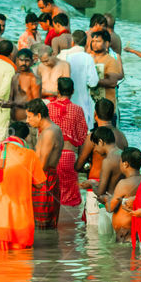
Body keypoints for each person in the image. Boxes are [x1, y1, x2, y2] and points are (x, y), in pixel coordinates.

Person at [0, 122, 46, 250]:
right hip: (20, 220)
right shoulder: (30, 155)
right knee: (22, 262)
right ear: (27, 137)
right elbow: (40, 185)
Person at [47, 77, 88, 209]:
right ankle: (71, 226)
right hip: (69, 156)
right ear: (73, 91)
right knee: (70, 197)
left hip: (50, 156)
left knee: (51, 193)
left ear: (58, 91)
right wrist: (81, 161)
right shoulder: (77, 110)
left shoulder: (48, 108)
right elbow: (82, 136)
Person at [26, 99, 64, 230]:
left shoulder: (49, 133)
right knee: (43, 224)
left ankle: (45, 249)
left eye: (29, 117)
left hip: (44, 179)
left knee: (42, 225)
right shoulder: (49, 130)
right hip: (45, 178)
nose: (27, 120)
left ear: (39, 116)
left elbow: (41, 165)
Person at [79, 126, 123, 233]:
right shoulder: (123, 154)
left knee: (99, 238)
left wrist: (92, 183)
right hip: (120, 204)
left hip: (108, 204)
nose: (95, 149)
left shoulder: (108, 161)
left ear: (101, 142)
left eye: (95, 145)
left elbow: (100, 191)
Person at [59, 30, 100, 128]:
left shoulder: (63, 56)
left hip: (64, 104)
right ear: (86, 43)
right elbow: (93, 82)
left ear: (72, 42)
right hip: (82, 104)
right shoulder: (88, 58)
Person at [108, 147, 141, 241]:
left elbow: (110, 207)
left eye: (120, 161)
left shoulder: (123, 183)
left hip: (125, 233)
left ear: (125, 164)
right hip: (135, 231)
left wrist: (105, 199)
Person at [89, 29, 123, 105]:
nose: (94, 44)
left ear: (106, 44)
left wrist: (94, 81)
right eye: (93, 41)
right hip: (91, 103)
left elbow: (112, 82)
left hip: (106, 105)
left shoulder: (111, 60)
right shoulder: (88, 58)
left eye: (98, 41)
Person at [7, 48, 41, 123]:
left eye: (27, 60)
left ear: (32, 62)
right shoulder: (15, 77)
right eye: (21, 60)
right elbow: (11, 99)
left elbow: (36, 103)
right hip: (13, 119)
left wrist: (18, 103)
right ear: (17, 60)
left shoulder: (35, 79)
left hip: (27, 121)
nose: (23, 63)